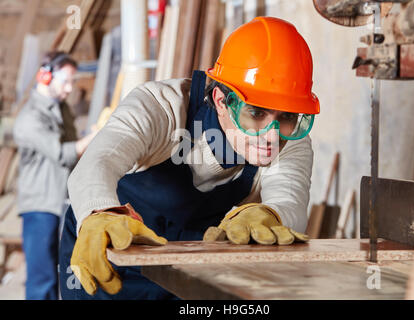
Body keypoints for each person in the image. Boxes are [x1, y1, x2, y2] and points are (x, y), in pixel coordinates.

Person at [59, 17, 320, 300]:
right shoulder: (161, 106)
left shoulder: (292, 140)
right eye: (256, 114)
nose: (271, 136)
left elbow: (288, 200)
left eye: (287, 116)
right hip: (112, 260)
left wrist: (271, 215)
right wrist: (99, 213)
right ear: (221, 101)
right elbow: (96, 164)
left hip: (192, 267)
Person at [13, 51, 97, 300]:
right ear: (45, 77)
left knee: (65, 274)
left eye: (73, 81)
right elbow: (63, 153)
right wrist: (99, 135)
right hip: (41, 206)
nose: (71, 88)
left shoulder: (61, 109)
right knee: (42, 280)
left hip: (64, 202)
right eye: (66, 81)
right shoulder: (29, 118)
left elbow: (75, 148)